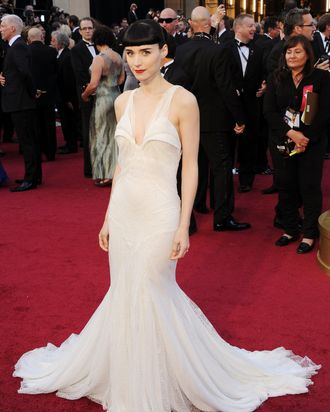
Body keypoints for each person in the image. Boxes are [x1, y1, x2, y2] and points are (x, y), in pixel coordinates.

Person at [13, 19, 320, 412]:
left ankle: (161, 378)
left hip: (160, 211)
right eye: (130, 53)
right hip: (125, 212)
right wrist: (108, 217)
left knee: (152, 287)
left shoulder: (182, 100)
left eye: (145, 52)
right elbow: (123, 165)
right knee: (126, 290)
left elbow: (191, 166)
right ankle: (128, 369)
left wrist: (183, 224)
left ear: (164, 53)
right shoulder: (123, 101)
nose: (137, 61)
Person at [264, 34, 330, 254]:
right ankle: (290, 228)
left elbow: (325, 113)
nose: (292, 55)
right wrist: (292, 134)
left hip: (311, 143)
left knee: (309, 187)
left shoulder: (321, 78)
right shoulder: (276, 78)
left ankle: (310, 234)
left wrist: (305, 138)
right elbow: (269, 112)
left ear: (307, 54)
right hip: (283, 142)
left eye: (297, 51)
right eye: (289, 51)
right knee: (286, 185)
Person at [0, 14, 41, 192]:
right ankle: (33, 176)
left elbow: (26, 73)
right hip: (20, 101)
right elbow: (17, 72)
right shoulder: (15, 47)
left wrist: (32, 93)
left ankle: (30, 179)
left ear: (12, 28)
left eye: (2, 26)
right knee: (28, 141)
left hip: (21, 102)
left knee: (27, 142)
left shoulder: (17, 47)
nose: (0, 29)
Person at [81, 26, 124, 187]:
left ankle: (105, 174)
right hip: (116, 96)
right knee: (114, 135)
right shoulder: (118, 56)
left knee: (101, 135)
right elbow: (121, 80)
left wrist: (84, 96)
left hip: (103, 99)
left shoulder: (99, 59)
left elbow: (93, 84)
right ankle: (116, 171)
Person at [70, 17, 97, 174]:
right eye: (84, 28)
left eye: (90, 28)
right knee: (88, 131)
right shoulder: (76, 50)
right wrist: (94, 87)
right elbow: (79, 74)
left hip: (103, 94)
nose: (87, 31)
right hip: (86, 94)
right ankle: (89, 168)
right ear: (79, 31)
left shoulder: (101, 47)